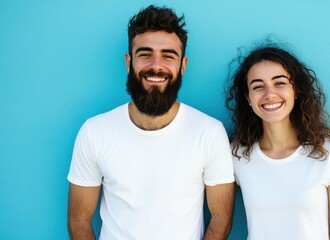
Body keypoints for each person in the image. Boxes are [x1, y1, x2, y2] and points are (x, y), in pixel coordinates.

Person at [67, 5, 235, 240]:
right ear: (129, 61)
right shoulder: (94, 132)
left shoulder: (209, 132)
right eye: (145, 54)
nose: (156, 65)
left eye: (168, 56)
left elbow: (221, 217)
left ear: (183, 66)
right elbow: (79, 220)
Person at [226, 44, 330, 240]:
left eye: (279, 83)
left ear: (296, 90)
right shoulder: (237, 154)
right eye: (258, 86)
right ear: (248, 98)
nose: (269, 93)